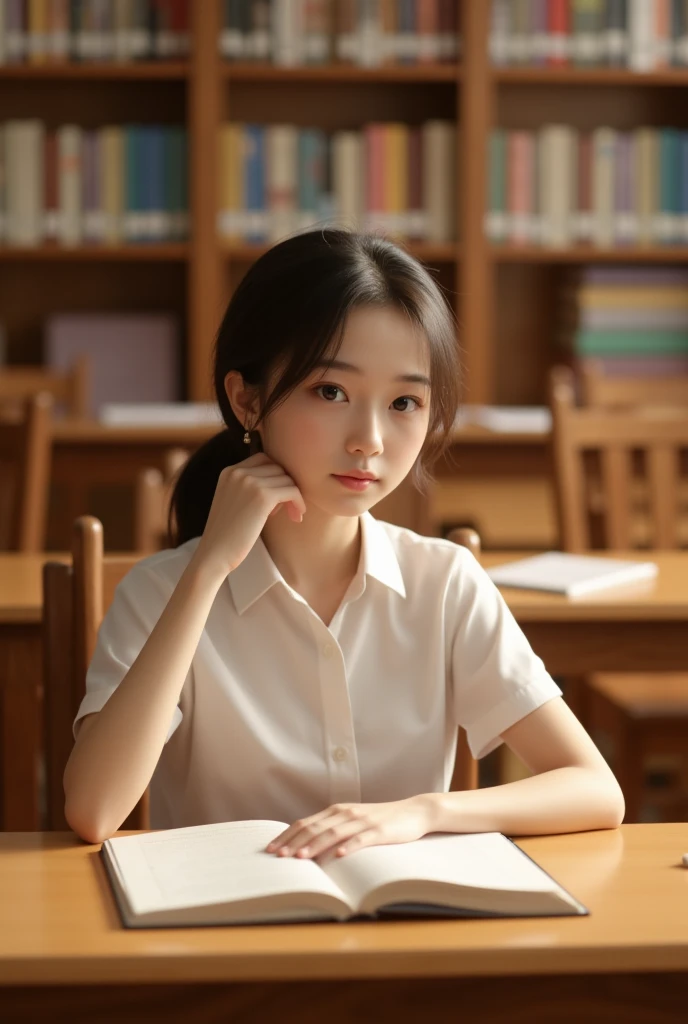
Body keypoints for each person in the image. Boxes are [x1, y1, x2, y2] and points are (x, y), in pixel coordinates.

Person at [64, 228, 624, 854]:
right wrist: (207, 570)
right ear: (247, 399)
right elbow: (94, 811)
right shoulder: (159, 592)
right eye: (330, 391)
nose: (370, 439)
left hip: (399, 934)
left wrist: (420, 813)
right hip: (221, 938)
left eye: (405, 401)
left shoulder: (444, 582)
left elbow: (595, 789)